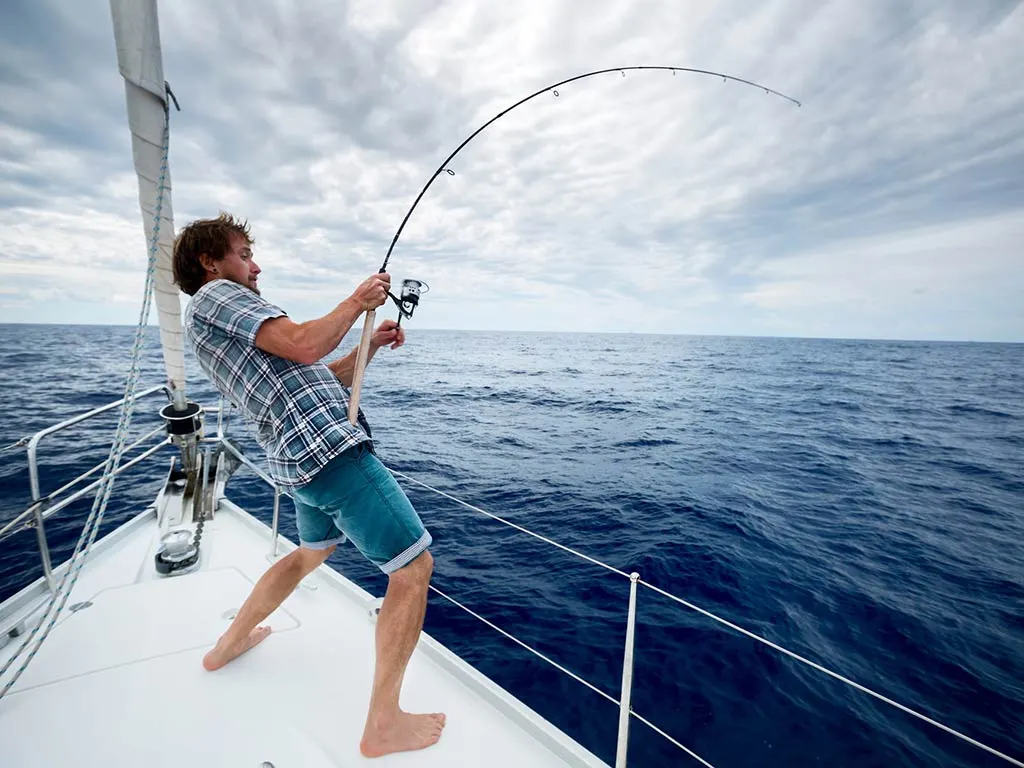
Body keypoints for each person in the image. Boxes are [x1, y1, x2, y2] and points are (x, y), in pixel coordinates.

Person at [172, 212, 444, 758]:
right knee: (413, 568)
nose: (255, 266)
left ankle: (226, 647)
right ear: (210, 261)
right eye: (245, 253)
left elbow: (315, 374)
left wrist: (364, 348)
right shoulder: (217, 297)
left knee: (308, 555)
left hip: (298, 464)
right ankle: (383, 723)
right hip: (329, 452)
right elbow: (302, 344)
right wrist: (356, 301)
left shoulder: (211, 322)